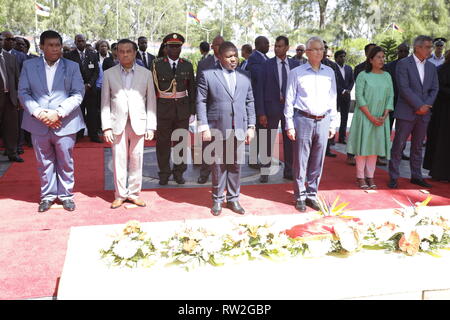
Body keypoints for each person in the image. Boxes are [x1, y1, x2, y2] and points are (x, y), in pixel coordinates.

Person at [18, 30, 85, 212]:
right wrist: (39, 113)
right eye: (50, 45)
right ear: (41, 47)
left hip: (66, 122)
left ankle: (66, 195)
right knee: (44, 162)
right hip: (38, 122)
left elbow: (78, 93)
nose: (55, 49)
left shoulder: (72, 66)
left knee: (65, 161)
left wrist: (59, 113)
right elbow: (23, 92)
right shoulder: (29, 66)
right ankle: (47, 195)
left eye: (58, 45)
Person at [196, 41, 256, 216]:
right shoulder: (208, 75)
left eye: (235, 56)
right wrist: (204, 126)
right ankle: (217, 200)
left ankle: (233, 199)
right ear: (220, 57)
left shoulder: (245, 75)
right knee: (218, 165)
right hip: (216, 127)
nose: (233, 59)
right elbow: (201, 101)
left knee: (235, 165)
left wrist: (251, 126)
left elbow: (250, 101)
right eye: (229, 56)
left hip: (238, 128)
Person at [284, 36, 338, 212]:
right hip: (303, 120)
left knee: (317, 160)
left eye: (322, 49)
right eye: (315, 49)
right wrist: (289, 125)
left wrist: (332, 124)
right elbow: (289, 100)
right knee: (301, 160)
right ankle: (299, 195)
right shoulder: (297, 72)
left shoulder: (329, 72)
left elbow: (332, 99)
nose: (319, 52)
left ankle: (312, 194)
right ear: (307, 52)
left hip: (322, 120)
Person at [101, 39, 157, 209]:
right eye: (121, 51)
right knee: (118, 158)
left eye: (128, 51)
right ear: (116, 53)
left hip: (139, 122)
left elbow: (151, 101)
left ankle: (133, 193)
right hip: (117, 122)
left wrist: (151, 126)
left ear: (134, 53)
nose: (125, 54)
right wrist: (106, 126)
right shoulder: (109, 73)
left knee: (137, 158)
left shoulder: (146, 73)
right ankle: (119, 194)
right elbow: (104, 102)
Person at [388, 35, 439, 189]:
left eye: (431, 47)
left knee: (417, 146)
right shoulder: (403, 64)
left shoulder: (431, 67)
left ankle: (416, 176)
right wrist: (419, 105)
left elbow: (435, 88)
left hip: (424, 114)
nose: (431, 50)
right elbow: (403, 88)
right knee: (399, 145)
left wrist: (426, 105)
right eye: (428, 47)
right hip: (406, 112)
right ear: (418, 47)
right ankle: (393, 176)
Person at [347, 46, 394, 189]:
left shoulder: (387, 76)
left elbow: (391, 96)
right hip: (365, 116)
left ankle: (370, 177)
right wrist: (371, 117)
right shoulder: (363, 75)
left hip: (381, 118)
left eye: (383, 57)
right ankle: (360, 177)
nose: (382, 60)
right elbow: (359, 97)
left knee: (374, 148)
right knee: (363, 148)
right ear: (371, 59)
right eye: (379, 57)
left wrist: (385, 115)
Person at [152, 33, 195, 185]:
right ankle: (164, 173)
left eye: (178, 46)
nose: (175, 49)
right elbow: (152, 91)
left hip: (182, 111)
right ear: (166, 47)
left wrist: (192, 111)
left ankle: (179, 172)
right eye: (172, 46)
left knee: (181, 143)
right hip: (163, 110)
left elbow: (192, 90)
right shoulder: (157, 64)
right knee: (163, 144)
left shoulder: (187, 65)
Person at [257, 35, 300, 183]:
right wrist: (261, 112)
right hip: (271, 108)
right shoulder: (266, 65)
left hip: (290, 110)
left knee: (290, 141)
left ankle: (289, 170)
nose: (277, 48)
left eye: (280, 46)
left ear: (287, 48)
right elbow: (260, 90)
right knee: (267, 140)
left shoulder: (295, 65)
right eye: (275, 46)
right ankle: (264, 170)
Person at [196, 35, 224, 184]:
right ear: (212, 47)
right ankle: (204, 172)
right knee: (207, 142)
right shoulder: (204, 64)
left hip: (226, 111)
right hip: (208, 109)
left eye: (222, 44)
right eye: (217, 45)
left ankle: (222, 174)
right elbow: (198, 90)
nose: (220, 47)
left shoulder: (230, 62)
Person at [64, 34, 101, 143]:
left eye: (82, 41)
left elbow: (96, 72)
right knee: (77, 113)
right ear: (75, 42)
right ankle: (78, 135)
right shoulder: (69, 55)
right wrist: (80, 85)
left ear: (85, 42)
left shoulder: (93, 54)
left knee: (92, 113)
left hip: (90, 90)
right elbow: (68, 72)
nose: (80, 43)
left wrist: (89, 84)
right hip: (76, 90)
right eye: (78, 41)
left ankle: (93, 135)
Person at [423, 50, 450, 181]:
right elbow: (437, 89)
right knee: (441, 142)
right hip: (442, 113)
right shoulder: (441, 70)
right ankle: (439, 172)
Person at [246, 36, 269, 169]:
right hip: (257, 100)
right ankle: (253, 160)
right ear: (259, 44)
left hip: (264, 100)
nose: (268, 45)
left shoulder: (264, 58)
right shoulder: (255, 58)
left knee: (261, 132)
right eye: (266, 43)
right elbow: (259, 79)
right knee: (258, 132)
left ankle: (255, 158)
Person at [385, 42, 410, 161]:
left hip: (405, 103)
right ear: (397, 52)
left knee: (403, 130)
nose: (403, 53)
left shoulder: (413, 67)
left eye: (406, 51)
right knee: (387, 127)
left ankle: (400, 151)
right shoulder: (389, 66)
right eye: (401, 51)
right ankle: (383, 151)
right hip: (390, 102)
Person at [0, 39, 22, 162]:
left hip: (10, 98)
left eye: (0, 40)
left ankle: (12, 152)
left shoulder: (10, 58)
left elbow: (17, 78)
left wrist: (19, 97)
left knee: (11, 127)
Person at [334, 50, 354, 144]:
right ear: (336, 58)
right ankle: (331, 139)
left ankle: (342, 138)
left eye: (344, 56)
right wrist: (342, 91)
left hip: (346, 96)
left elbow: (351, 81)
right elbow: (333, 82)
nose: (343, 58)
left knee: (344, 117)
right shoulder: (332, 68)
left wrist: (348, 90)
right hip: (336, 96)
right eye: (341, 56)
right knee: (333, 117)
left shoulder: (349, 68)